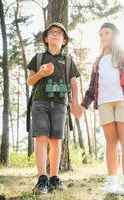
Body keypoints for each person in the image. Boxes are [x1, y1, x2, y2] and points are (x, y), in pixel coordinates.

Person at [80, 22, 124, 195]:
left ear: (114, 35)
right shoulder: (97, 60)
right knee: (111, 142)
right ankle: (112, 181)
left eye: (107, 33)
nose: (104, 36)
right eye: (101, 34)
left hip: (123, 100)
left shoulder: (122, 54)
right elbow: (92, 87)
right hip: (104, 103)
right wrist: (83, 105)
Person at [27, 22, 81, 194]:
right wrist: (41, 74)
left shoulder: (68, 60)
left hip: (60, 103)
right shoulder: (38, 58)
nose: (55, 34)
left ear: (64, 40)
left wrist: (75, 102)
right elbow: (30, 81)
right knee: (41, 138)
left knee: (56, 140)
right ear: (46, 38)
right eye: (52, 32)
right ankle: (42, 179)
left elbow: (73, 82)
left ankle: (54, 178)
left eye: (59, 33)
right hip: (40, 102)